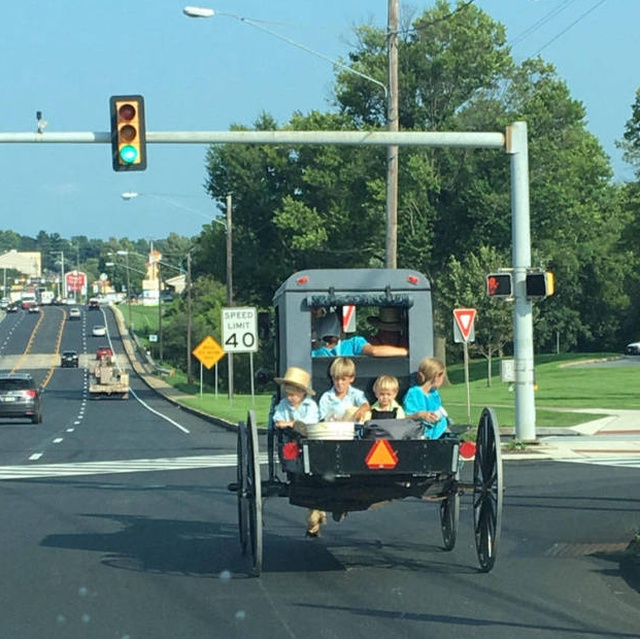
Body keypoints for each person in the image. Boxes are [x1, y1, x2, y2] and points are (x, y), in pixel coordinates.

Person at [312, 312, 408, 358]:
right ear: (341, 330)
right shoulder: (355, 343)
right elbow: (374, 351)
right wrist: (408, 352)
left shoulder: (313, 354)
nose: (391, 335)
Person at [403, 357, 449, 439]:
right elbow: (404, 418)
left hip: (438, 434)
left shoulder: (434, 394)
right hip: (419, 436)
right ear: (437, 376)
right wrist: (420, 415)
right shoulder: (414, 393)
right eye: (442, 377)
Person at [318, 357, 371, 422]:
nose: (340, 383)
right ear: (332, 378)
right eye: (336, 379)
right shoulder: (327, 397)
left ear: (351, 378)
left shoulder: (356, 394)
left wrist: (362, 409)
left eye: (343, 379)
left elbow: (366, 405)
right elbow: (322, 419)